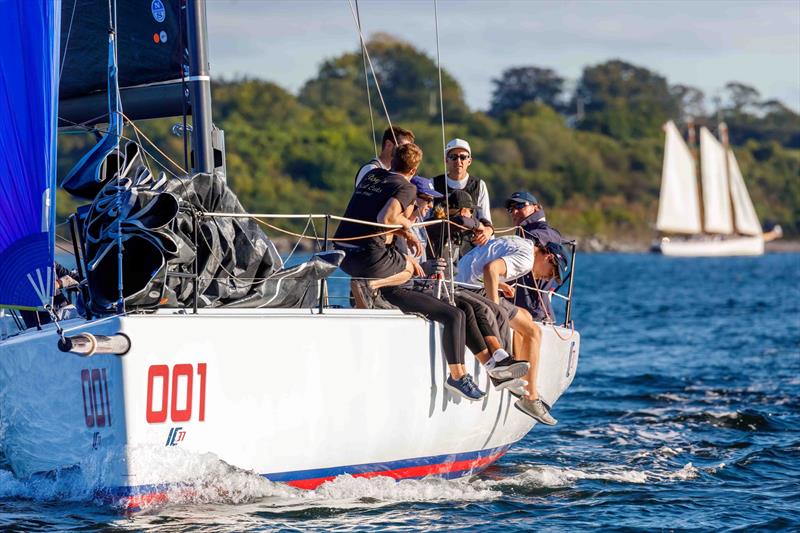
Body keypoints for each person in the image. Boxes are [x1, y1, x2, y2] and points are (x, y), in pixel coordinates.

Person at [456, 236, 569, 425]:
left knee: (526, 316)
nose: (547, 279)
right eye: (551, 273)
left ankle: (521, 375)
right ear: (548, 257)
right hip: (468, 289)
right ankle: (530, 397)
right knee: (533, 332)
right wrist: (494, 308)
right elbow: (490, 269)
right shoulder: (526, 259)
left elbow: (480, 266)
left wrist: (499, 285)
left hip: (468, 283)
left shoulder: (523, 244)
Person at [334, 143, 424, 309]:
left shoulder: (373, 174)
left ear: (392, 161)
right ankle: (371, 286)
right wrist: (407, 225)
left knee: (391, 257)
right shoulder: (407, 187)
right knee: (410, 266)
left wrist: (406, 235)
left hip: (341, 255)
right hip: (366, 258)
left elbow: (375, 219)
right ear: (413, 170)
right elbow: (385, 218)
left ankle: (364, 303)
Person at [506, 191, 564, 323]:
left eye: (520, 206)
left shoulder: (547, 233)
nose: (514, 212)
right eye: (511, 208)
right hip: (514, 308)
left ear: (536, 208)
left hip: (534, 312)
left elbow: (545, 239)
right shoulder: (521, 234)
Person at [431, 138, 493, 251]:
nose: (458, 161)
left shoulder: (479, 185)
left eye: (463, 157)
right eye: (453, 157)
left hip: (472, 248)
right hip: (439, 248)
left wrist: (488, 231)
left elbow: (485, 218)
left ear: (469, 161)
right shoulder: (433, 184)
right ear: (446, 160)